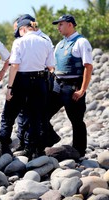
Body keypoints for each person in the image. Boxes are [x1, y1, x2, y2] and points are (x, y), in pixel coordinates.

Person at [0, 18, 55, 159]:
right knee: (35, 116)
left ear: (22, 29)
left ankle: (5, 146)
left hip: (21, 80)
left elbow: (15, 65)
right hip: (40, 81)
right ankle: (32, 148)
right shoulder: (45, 41)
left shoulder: (19, 42)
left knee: (9, 114)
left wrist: (10, 87)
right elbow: (51, 65)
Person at [13, 14, 60, 152]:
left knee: (36, 113)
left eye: (18, 28)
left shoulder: (43, 39)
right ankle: (26, 141)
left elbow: (49, 64)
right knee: (26, 113)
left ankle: (36, 143)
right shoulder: (39, 39)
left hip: (40, 78)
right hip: (36, 79)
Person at [48, 14, 93, 157]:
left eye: (61, 24)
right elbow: (53, 65)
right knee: (43, 114)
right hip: (57, 85)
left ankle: (79, 151)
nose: (58, 28)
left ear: (70, 24)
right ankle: (51, 139)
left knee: (76, 119)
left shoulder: (81, 42)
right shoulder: (60, 44)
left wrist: (82, 90)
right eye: (58, 25)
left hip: (73, 86)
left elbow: (88, 66)